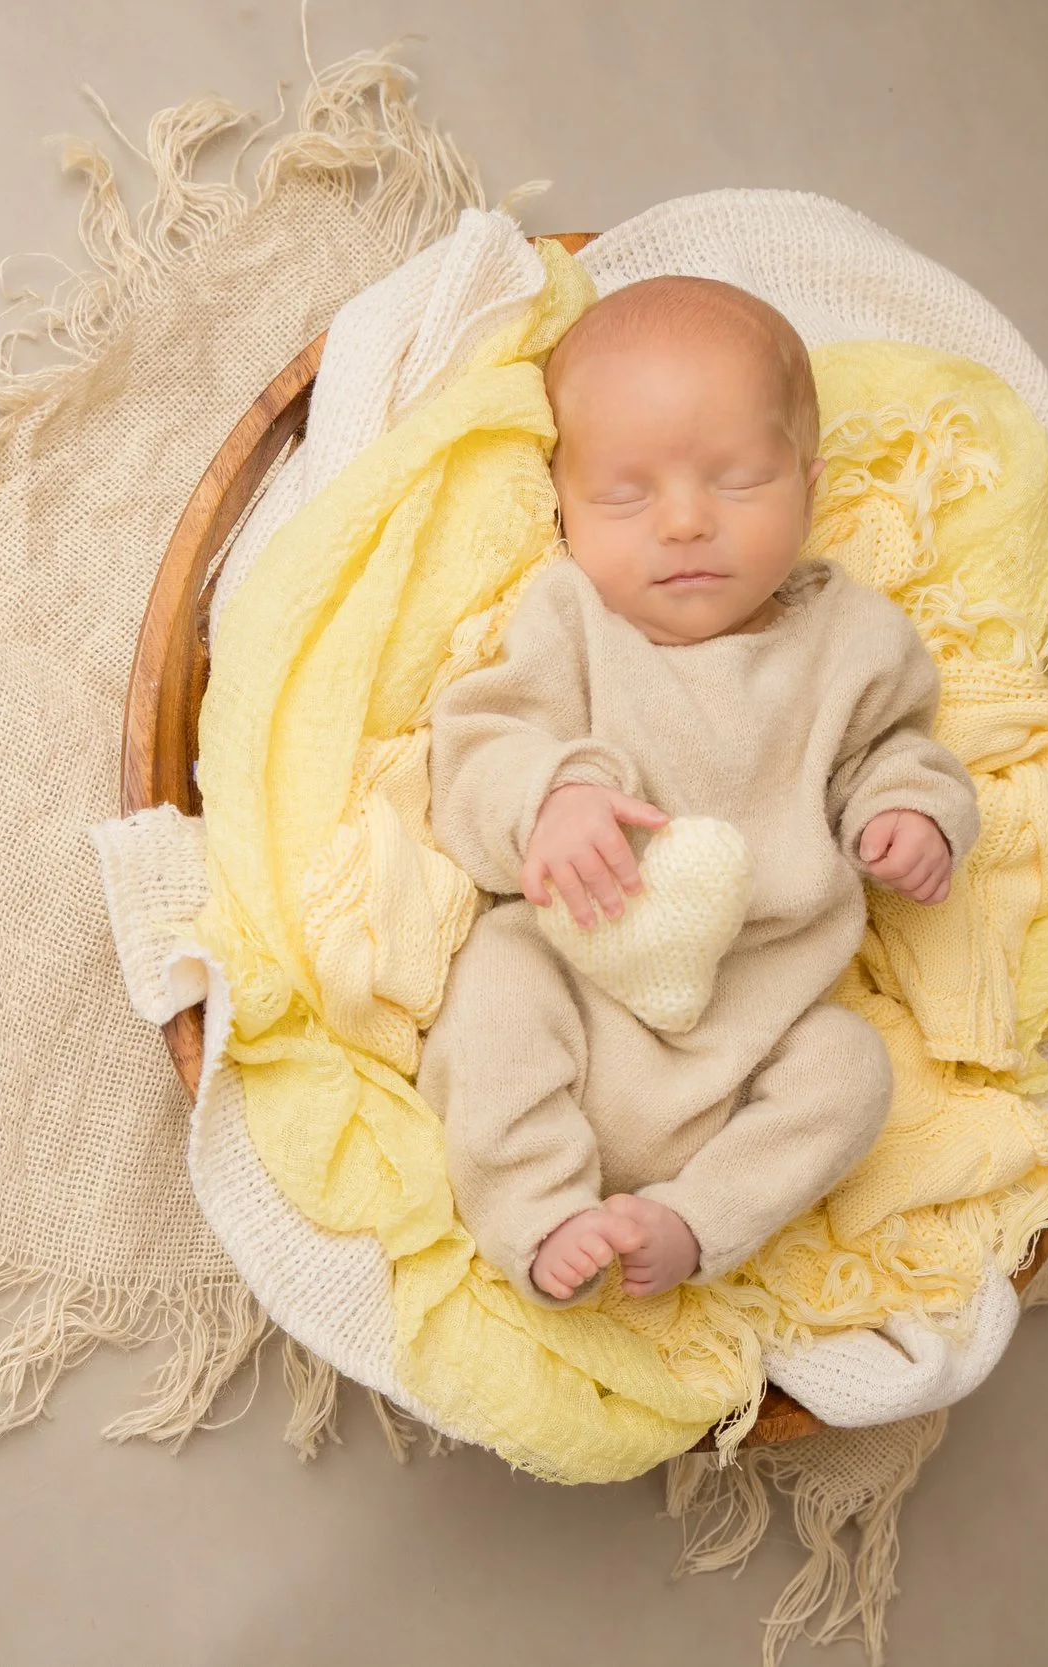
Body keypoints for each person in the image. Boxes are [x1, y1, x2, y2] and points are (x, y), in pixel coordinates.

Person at [418, 276, 980, 1306]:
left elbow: (896, 751)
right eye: (625, 495)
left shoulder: (852, 645)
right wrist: (549, 801)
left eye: (735, 481)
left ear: (809, 486)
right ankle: (541, 1213)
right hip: (579, 984)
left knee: (850, 1072)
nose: (682, 522)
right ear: (563, 504)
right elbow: (479, 742)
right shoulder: (569, 617)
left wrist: (911, 813)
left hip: (752, 1024)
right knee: (496, 980)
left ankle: (688, 1220)